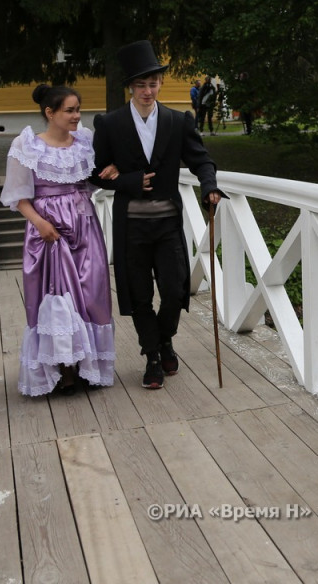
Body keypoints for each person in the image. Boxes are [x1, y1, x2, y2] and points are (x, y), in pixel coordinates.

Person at [93, 41, 225, 389]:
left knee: (174, 288)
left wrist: (208, 185)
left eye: (153, 84)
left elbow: (201, 160)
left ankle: (164, 339)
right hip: (131, 226)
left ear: (160, 84)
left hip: (167, 223)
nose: (147, 91)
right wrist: (130, 180)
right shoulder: (109, 124)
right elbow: (97, 173)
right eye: (140, 85)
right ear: (130, 87)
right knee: (139, 295)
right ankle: (152, 355)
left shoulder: (178, 121)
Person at [1, 84, 118, 396]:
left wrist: (115, 169)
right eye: (69, 110)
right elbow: (18, 197)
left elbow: (100, 173)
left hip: (85, 225)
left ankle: (88, 366)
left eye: (78, 109)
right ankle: (64, 371)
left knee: (91, 296)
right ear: (49, 113)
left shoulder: (86, 141)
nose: (77, 116)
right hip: (49, 232)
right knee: (57, 299)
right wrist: (41, 223)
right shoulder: (27, 146)